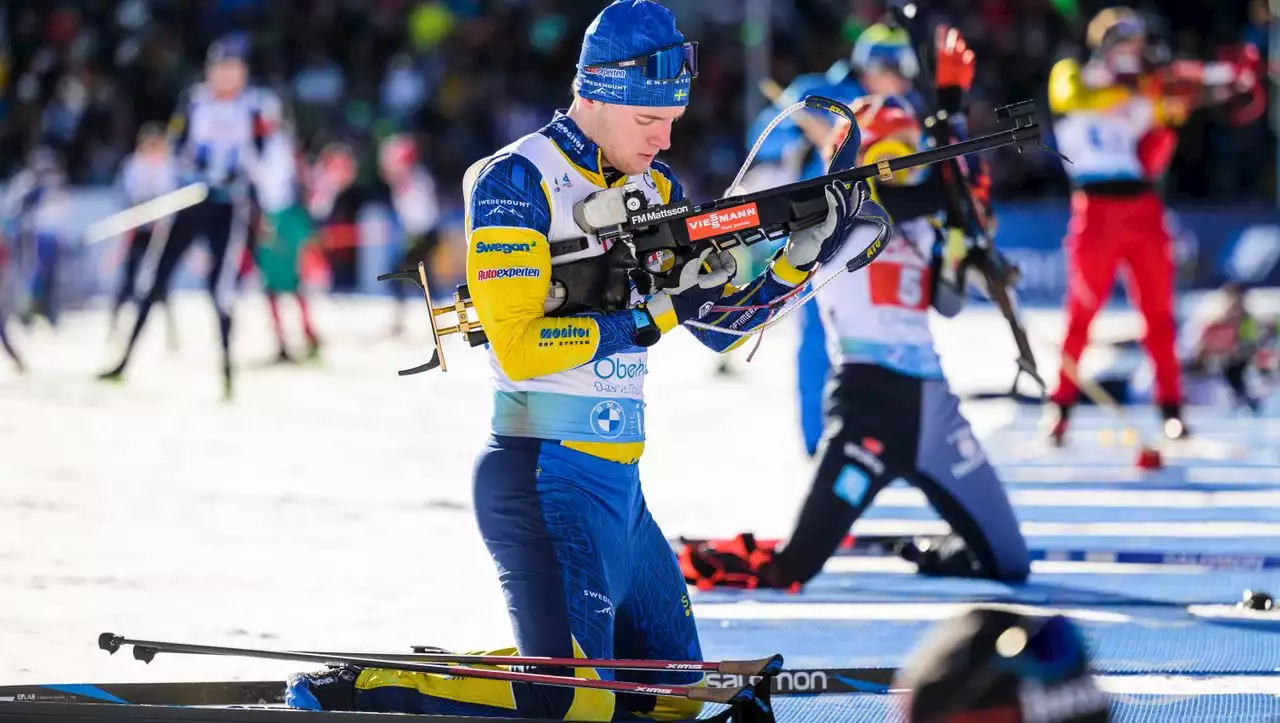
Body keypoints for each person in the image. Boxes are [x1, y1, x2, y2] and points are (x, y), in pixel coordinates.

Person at [284, 2, 870, 719]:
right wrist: (648, 316)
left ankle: (515, 679)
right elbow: (520, 347)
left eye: (673, 122)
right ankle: (360, 685)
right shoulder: (517, 181)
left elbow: (717, 327)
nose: (663, 140)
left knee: (674, 700)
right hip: (540, 477)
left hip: (621, 490)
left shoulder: (654, 191)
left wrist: (797, 262)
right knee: (571, 703)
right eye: (648, 122)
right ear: (597, 92)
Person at [679, 29, 1031, 592]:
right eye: (885, 154)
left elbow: (950, 299)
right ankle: (703, 558)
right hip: (869, 405)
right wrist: (949, 135)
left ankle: (933, 550)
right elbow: (886, 198)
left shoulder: (924, 217)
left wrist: (964, 222)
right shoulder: (838, 206)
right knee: (792, 569)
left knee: (1011, 564)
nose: (898, 168)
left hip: (935, 407)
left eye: (907, 154)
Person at [1044, 7, 1259, 445]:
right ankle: (1060, 409)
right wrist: (1141, 89)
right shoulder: (1073, 75)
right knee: (1081, 315)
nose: (1133, 53)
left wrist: (1177, 112)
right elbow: (1073, 99)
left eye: (1138, 46)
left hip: (1141, 207)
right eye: (1125, 44)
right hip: (1095, 208)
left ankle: (1170, 409)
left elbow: (1152, 158)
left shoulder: (1149, 88)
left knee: (1158, 315)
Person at [98, 33, 283, 400]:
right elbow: (176, 145)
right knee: (156, 279)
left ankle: (227, 374)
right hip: (190, 199)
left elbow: (262, 156)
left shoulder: (254, 107)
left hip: (228, 206)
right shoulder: (195, 102)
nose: (227, 75)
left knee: (220, 289)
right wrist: (195, 166)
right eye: (221, 68)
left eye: (234, 68)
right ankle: (124, 361)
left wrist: (240, 175)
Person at [253, 120, 322, 363]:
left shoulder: (275, 145)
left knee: (285, 282)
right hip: (274, 218)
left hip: (281, 218)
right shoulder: (267, 145)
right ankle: (292, 338)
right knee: (277, 284)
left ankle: (304, 335)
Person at [109, 123, 181, 348]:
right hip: (138, 228)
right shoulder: (133, 165)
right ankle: (114, 327)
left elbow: (171, 196)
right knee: (128, 279)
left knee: (161, 282)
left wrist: (160, 216)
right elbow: (128, 195)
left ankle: (172, 335)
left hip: (159, 230)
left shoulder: (168, 166)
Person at [377, 133, 443, 335]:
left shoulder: (415, 180)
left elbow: (420, 214)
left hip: (425, 234)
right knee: (424, 279)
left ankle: (405, 321)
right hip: (421, 235)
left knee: (401, 273)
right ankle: (437, 319)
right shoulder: (409, 179)